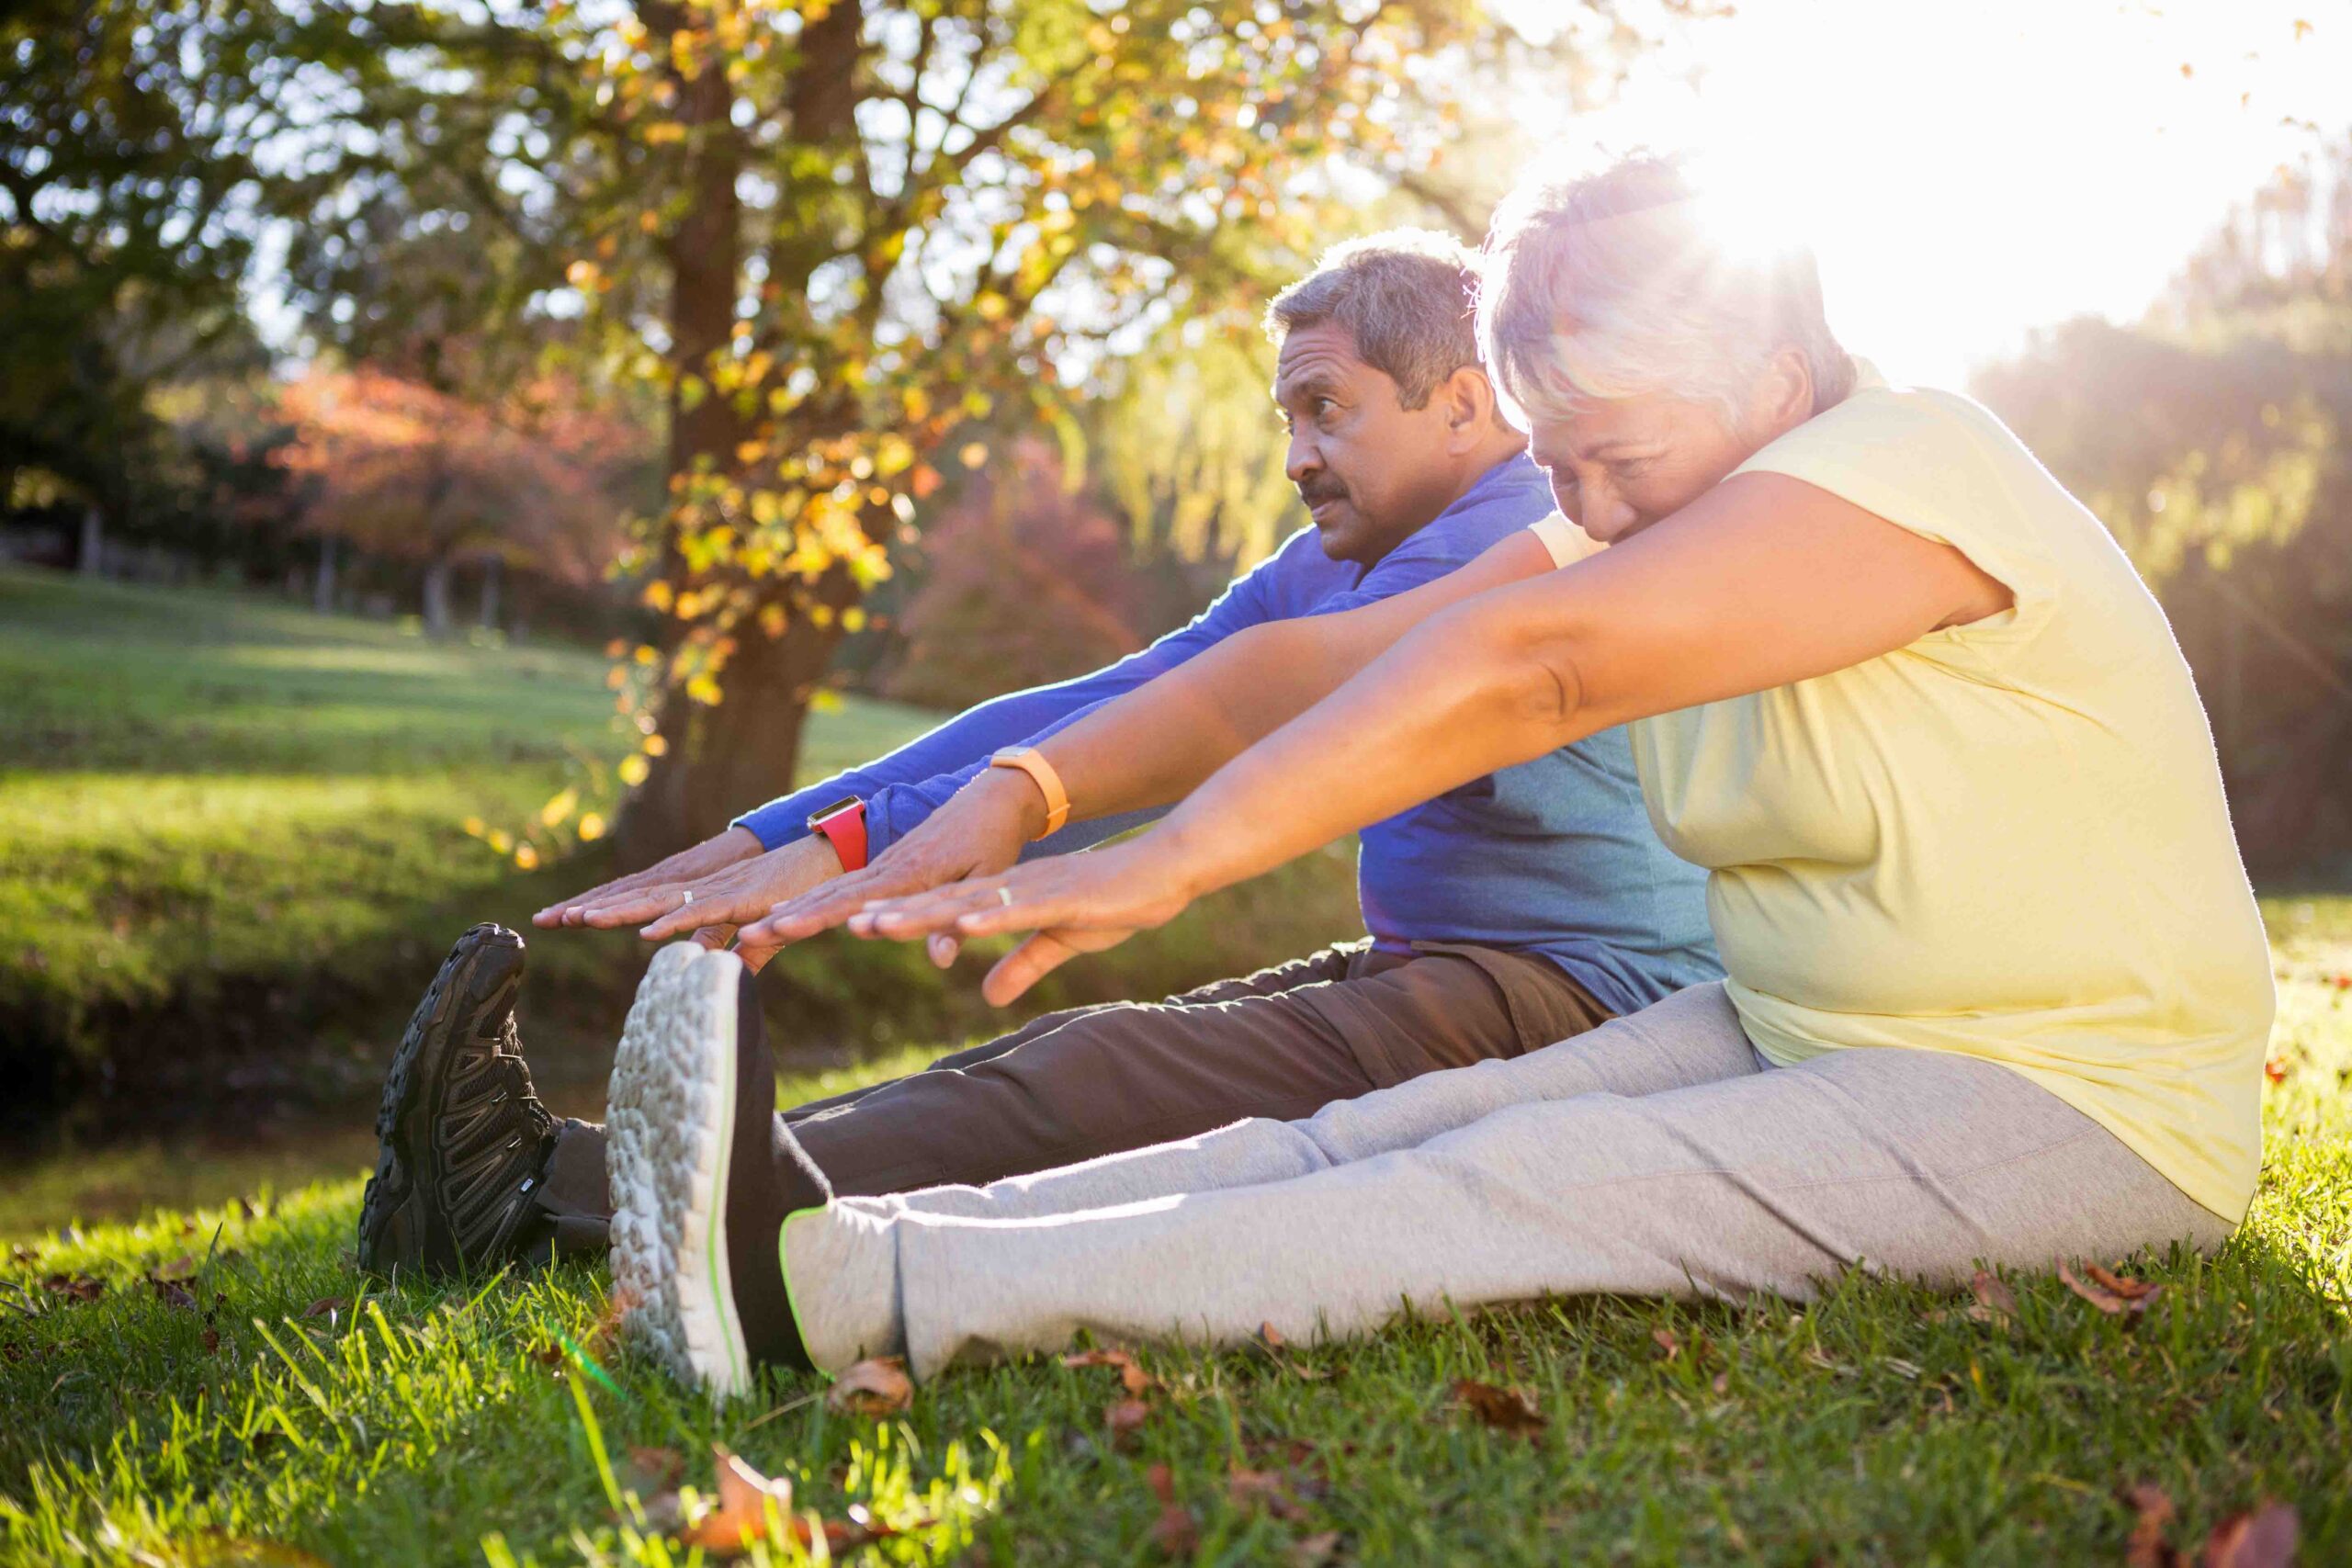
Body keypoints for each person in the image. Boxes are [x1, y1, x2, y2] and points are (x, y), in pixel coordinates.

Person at [599, 153, 2275, 1394]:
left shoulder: (1912, 468)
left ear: (1770, 382)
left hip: (2072, 1099)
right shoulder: (1654, 489)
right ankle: (795, 1233)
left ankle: (848, 1304)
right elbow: (1285, 669)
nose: (1588, 511)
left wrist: (1168, 864)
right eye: (1554, 460)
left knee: (1509, 1186)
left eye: (1614, 456)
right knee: (1379, 1131)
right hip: (1809, 1025)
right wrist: (1032, 790)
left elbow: (1527, 671)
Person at [354, 230, 1720, 1280]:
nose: (1296, 455)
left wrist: (914, 834)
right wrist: (788, 830)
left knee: (1107, 1079)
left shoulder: (1539, 525)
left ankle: (546, 1203)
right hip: (1462, 970)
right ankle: (568, 1183)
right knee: (1088, 1053)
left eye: (1327, 409)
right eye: (1285, 419)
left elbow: (1246, 707)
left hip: (1592, 1001)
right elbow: (1113, 699)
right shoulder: (1334, 560)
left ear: (1467, 403)